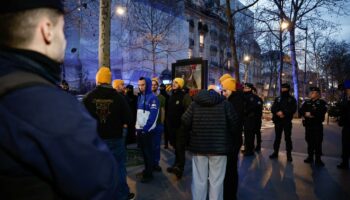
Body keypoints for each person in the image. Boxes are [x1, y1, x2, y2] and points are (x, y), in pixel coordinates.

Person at [0, 1, 120, 199]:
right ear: (47, 30)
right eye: (63, 30)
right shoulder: (50, 109)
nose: (64, 41)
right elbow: (103, 184)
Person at [83, 67, 134, 200]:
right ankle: (122, 195)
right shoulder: (119, 97)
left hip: (96, 140)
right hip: (115, 138)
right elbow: (129, 118)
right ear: (109, 81)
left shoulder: (88, 97)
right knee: (119, 167)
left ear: (98, 80)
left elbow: (81, 120)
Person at [181, 88, 238, 200]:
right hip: (219, 148)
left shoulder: (195, 104)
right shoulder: (225, 104)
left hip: (199, 147)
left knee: (199, 180)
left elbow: (184, 120)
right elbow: (235, 123)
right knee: (216, 181)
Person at [220, 77, 243, 200]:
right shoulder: (233, 100)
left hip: (232, 141)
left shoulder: (235, 102)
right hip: (232, 140)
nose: (223, 93)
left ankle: (230, 195)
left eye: (225, 90)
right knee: (230, 169)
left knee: (231, 170)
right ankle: (229, 193)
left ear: (231, 89)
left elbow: (234, 122)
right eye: (222, 91)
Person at [166, 77, 192, 179]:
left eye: (176, 82)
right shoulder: (172, 95)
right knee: (176, 148)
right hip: (172, 127)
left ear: (180, 84)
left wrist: (184, 125)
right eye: (173, 82)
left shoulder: (185, 96)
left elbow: (189, 112)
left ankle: (180, 169)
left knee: (180, 148)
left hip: (181, 128)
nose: (173, 84)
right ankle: (175, 165)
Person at [135, 77, 160, 183]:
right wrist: (136, 128)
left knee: (148, 153)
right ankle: (146, 170)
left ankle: (149, 174)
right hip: (140, 130)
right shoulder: (140, 97)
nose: (141, 87)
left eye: (143, 85)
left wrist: (145, 129)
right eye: (139, 85)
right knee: (144, 153)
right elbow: (139, 115)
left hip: (147, 131)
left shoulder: (153, 98)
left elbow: (153, 117)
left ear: (148, 85)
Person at [299, 87, 327, 167]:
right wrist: (307, 114)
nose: (311, 93)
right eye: (311, 92)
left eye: (313, 92)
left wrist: (311, 114)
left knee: (318, 142)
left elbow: (321, 112)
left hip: (317, 126)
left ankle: (318, 159)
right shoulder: (307, 102)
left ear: (318, 94)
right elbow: (301, 110)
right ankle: (310, 157)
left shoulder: (322, 102)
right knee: (309, 141)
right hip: (308, 126)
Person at [269, 83, 297, 162]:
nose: (283, 90)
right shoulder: (278, 98)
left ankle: (289, 154)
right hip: (278, 121)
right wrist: (277, 112)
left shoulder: (292, 99)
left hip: (287, 121)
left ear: (288, 89)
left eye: (285, 88)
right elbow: (273, 108)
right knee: (277, 138)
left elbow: (293, 109)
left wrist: (283, 113)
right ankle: (275, 152)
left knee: (287, 138)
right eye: (282, 88)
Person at [242, 83, 263, 156]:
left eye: (246, 88)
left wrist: (245, 111)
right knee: (247, 135)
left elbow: (254, 108)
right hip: (246, 119)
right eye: (244, 88)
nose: (244, 89)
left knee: (250, 135)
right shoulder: (244, 96)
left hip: (251, 119)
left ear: (250, 89)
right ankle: (247, 148)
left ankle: (250, 150)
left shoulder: (254, 97)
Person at [151, 78, 166, 171]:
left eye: (155, 84)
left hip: (157, 125)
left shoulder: (162, 98)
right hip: (148, 125)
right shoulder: (145, 96)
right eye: (152, 84)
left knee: (156, 146)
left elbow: (163, 111)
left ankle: (155, 163)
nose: (153, 86)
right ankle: (149, 163)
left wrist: (162, 124)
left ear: (157, 86)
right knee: (148, 146)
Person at [337, 80, 350, 169]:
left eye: (346, 89)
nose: (345, 91)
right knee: (345, 145)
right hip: (346, 126)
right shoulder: (345, 98)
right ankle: (344, 162)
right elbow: (343, 111)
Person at [252, 86, 263, 152]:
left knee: (257, 132)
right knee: (252, 133)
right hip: (252, 119)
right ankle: (252, 145)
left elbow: (259, 108)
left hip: (257, 119)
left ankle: (258, 145)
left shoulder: (259, 99)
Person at [160, 83, 170, 149]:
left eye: (161, 87)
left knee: (165, 130)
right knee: (165, 130)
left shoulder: (161, 95)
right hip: (166, 114)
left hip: (164, 114)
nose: (161, 88)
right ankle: (166, 143)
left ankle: (165, 143)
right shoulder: (167, 95)